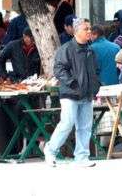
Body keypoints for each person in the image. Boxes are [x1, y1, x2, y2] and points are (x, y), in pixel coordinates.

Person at [44, 18, 100, 167]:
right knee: (67, 123)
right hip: (70, 93)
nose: (89, 31)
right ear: (76, 31)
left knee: (85, 127)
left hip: (87, 94)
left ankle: (82, 157)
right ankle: (50, 150)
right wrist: (73, 83)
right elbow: (59, 69)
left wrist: (95, 86)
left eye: (89, 29)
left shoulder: (90, 49)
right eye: (86, 29)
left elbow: (95, 70)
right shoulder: (67, 49)